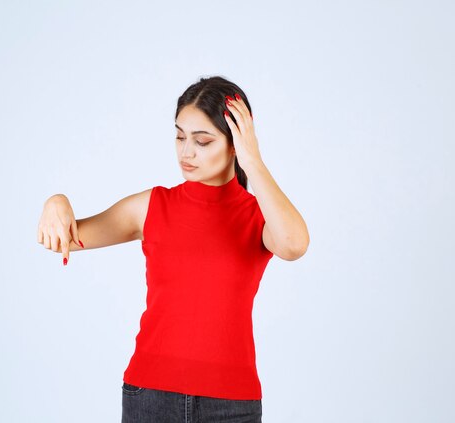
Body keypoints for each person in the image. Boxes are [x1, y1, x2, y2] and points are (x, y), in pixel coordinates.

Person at [37, 75, 310, 422]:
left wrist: (253, 162)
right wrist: (56, 201)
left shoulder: (259, 216)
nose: (186, 152)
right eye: (180, 137)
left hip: (232, 404)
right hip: (149, 396)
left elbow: (294, 244)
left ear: (236, 144)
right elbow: (65, 239)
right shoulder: (152, 206)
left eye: (202, 141)